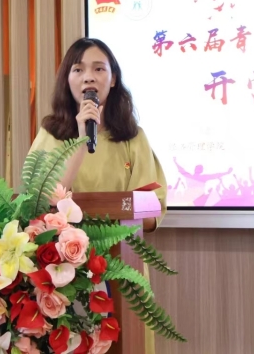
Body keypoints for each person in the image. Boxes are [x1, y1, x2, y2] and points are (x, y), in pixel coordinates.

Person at [28, 37, 167, 353]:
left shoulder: (132, 137)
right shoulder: (51, 135)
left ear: (113, 79)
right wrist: (81, 140)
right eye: (78, 69)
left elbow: (152, 211)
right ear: (68, 80)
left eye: (99, 69)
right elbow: (41, 203)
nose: (88, 77)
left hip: (122, 264)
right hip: (64, 269)